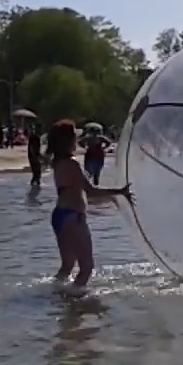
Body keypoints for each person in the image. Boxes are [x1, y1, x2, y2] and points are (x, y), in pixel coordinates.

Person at [48, 120, 132, 295]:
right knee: (86, 268)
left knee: (67, 266)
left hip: (60, 215)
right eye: (74, 137)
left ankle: (55, 297)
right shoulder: (71, 163)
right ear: (68, 141)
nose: (77, 140)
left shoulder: (57, 162)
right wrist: (120, 191)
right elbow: (90, 191)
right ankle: (73, 305)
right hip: (74, 217)